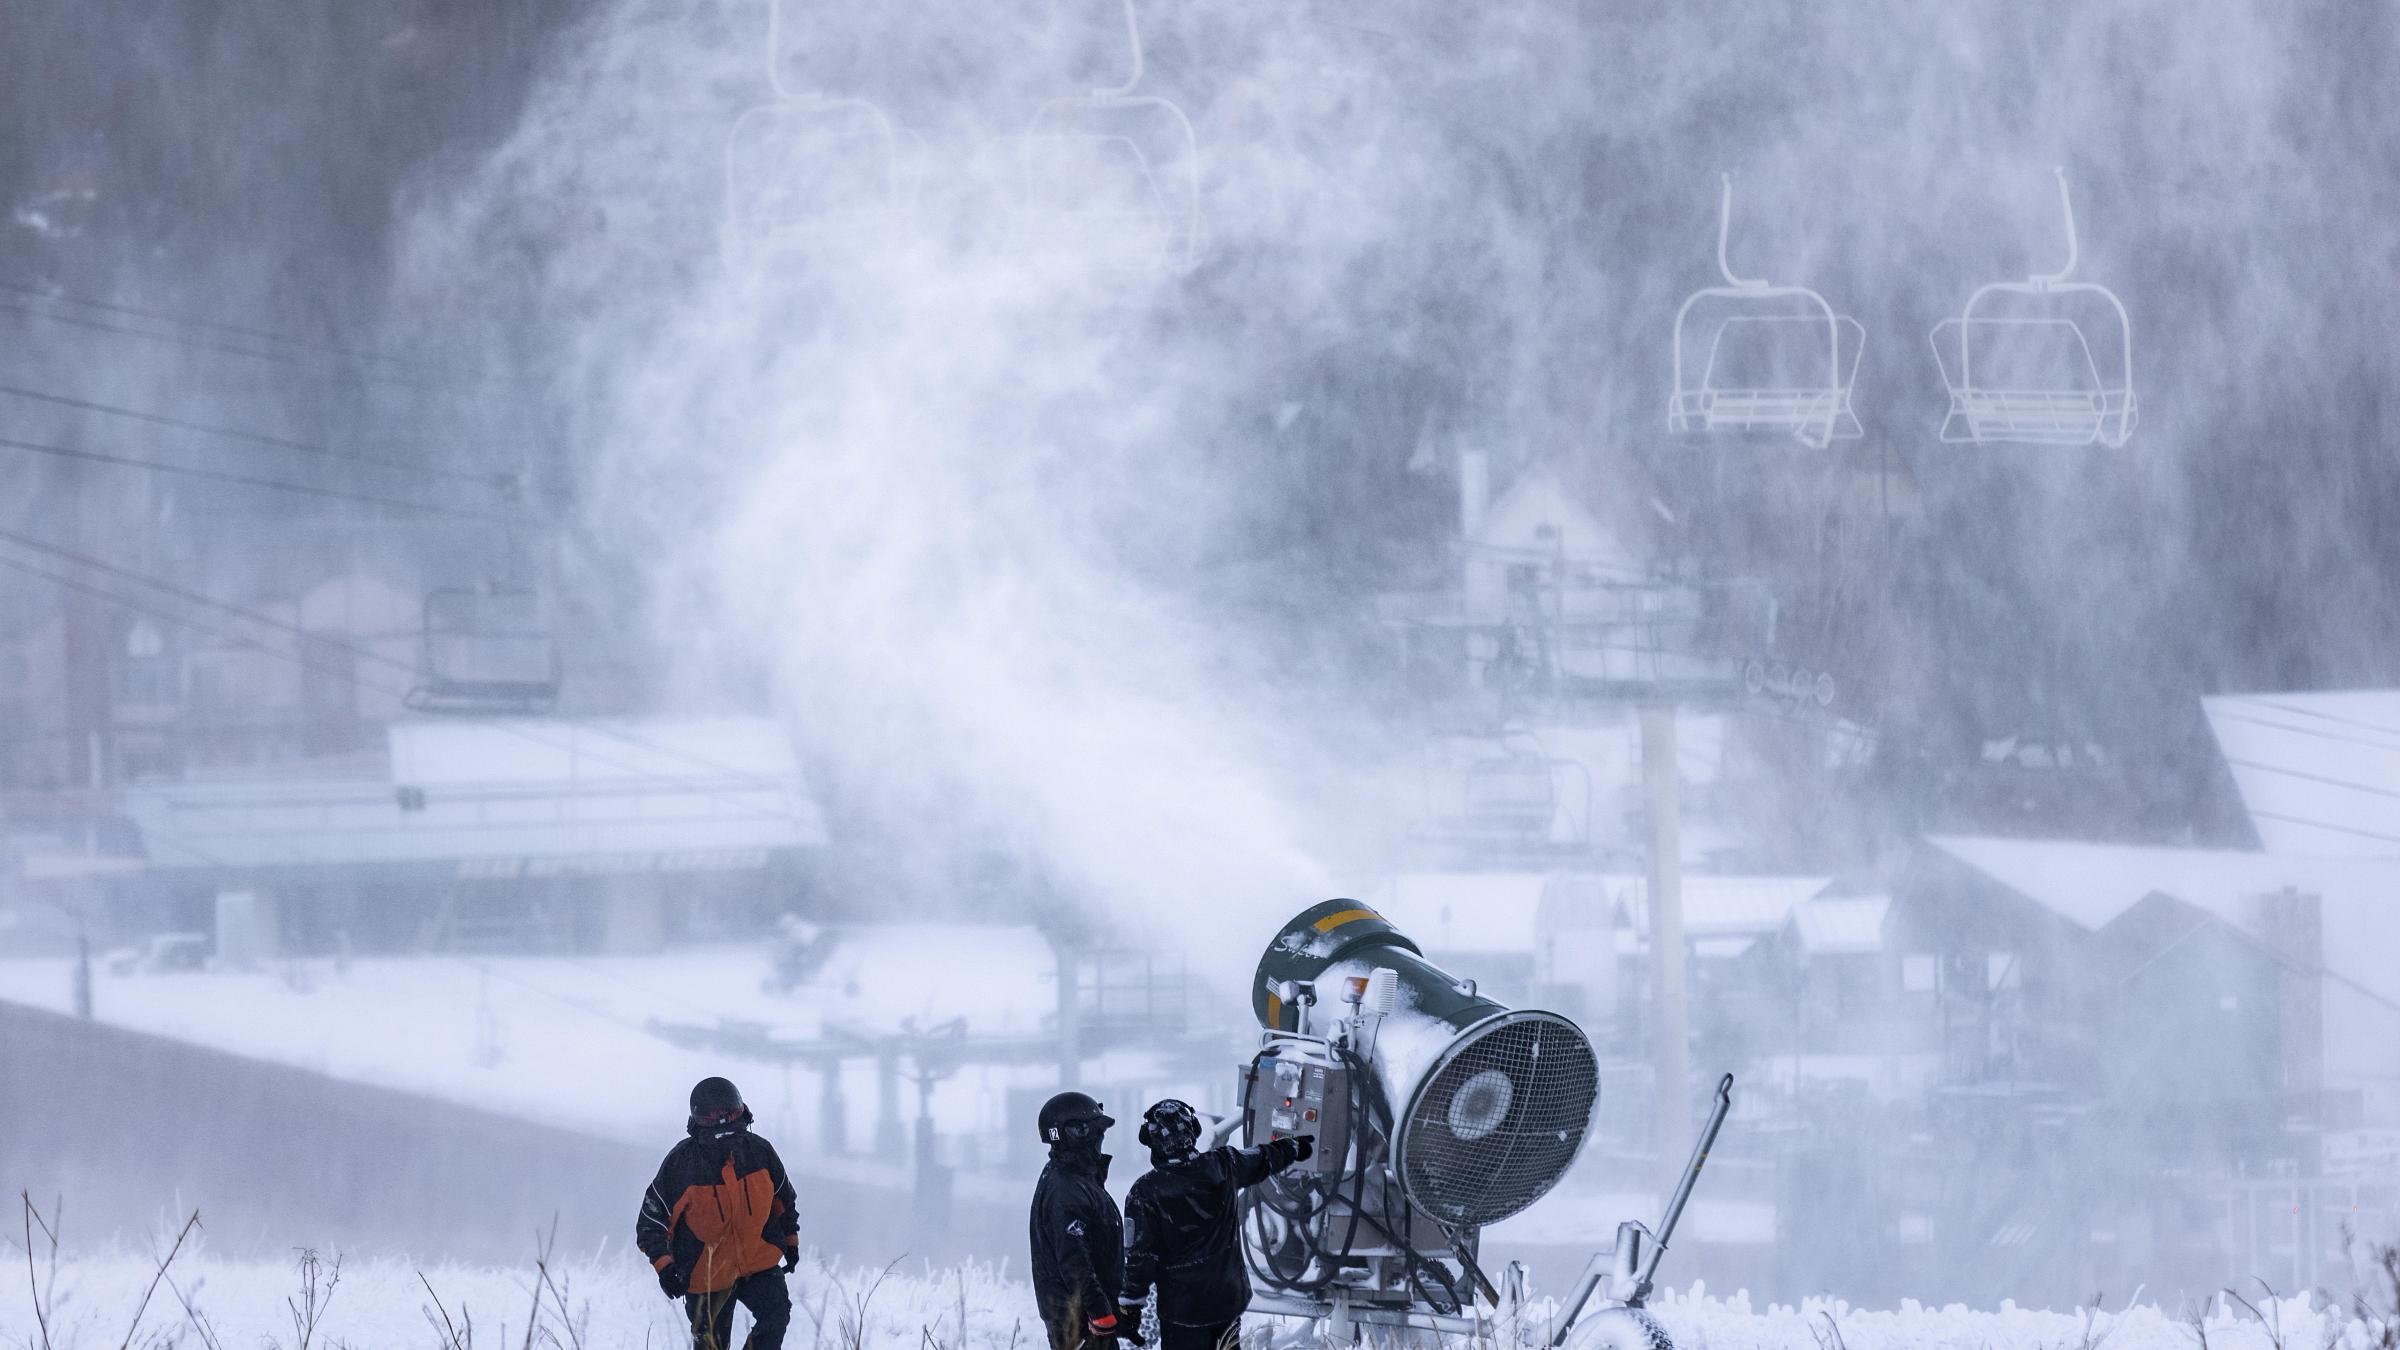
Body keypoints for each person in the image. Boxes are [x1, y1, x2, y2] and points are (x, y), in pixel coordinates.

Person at [1118, 1100, 1312, 1350]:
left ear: (1150, 1140)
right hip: (1227, 1303)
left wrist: (1130, 1305)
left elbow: (1140, 1258)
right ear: (1194, 1131)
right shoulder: (1223, 1164)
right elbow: (1263, 1158)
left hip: (1181, 1313)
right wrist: (1294, 1147)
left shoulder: (1143, 1192)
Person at [638, 1076, 801, 1350]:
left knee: (776, 1316)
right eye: (713, 1115)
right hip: (707, 1274)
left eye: (729, 1112)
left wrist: (791, 1242)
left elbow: (783, 1199)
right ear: (698, 1118)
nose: (723, 1120)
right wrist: (665, 1267)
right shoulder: (681, 1164)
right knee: (710, 1344)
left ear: (740, 1110)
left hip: (758, 1262)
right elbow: (651, 1222)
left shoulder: (760, 1152)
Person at [1029, 1091, 1134, 1349]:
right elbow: (1073, 1260)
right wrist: (1099, 1311)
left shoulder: (1074, 1178)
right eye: (1097, 1132)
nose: (1100, 1140)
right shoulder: (1066, 1189)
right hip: (1081, 1325)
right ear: (1078, 1133)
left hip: (1085, 1322)